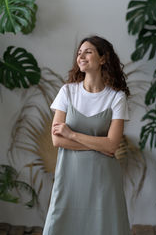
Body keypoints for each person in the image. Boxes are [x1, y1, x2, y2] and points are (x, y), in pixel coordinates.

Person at [42, 35, 132, 235]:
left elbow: (112, 146)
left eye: (88, 51)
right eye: (79, 53)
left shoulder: (116, 98)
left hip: (104, 181)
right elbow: (57, 140)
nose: (81, 56)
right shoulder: (67, 92)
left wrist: (71, 135)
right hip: (69, 178)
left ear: (102, 59)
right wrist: (100, 144)